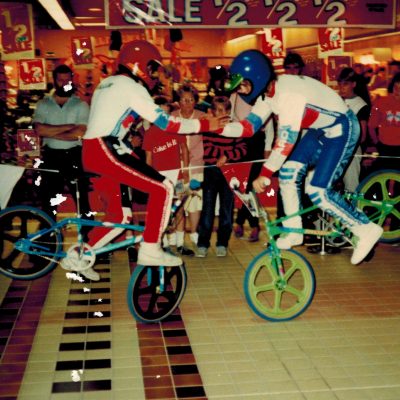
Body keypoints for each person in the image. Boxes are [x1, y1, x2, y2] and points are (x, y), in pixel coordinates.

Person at [61, 40, 224, 281]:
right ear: (140, 66)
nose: (155, 75)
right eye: (153, 69)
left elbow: (111, 121)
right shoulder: (132, 87)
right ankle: (150, 248)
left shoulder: (107, 83)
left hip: (96, 150)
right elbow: (167, 123)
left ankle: (80, 256)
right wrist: (205, 124)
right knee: (163, 188)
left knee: (120, 217)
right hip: (105, 150)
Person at [220, 49, 383, 265]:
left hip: (342, 127)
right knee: (288, 173)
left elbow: (286, 140)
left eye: (243, 84)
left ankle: (365, 228)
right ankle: (294, 230)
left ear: (257, 77)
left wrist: (265, 174)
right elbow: (249, 127)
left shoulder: (288, 94)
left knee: (318, 191)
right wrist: (215, 127)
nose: (241, 90)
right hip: (322, 130)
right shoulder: (269, 93)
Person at [33, 64, 92, 225]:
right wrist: (69, 127)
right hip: (50, 156)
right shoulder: (43, 104)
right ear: (54, 81)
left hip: (74, 156)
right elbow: (38, 130)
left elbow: (79, 133)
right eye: (61, 80)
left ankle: (89, 242)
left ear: (72, 80)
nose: (64, 83)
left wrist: (50, 131)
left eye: (67, 80)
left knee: (82, 202)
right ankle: (48, 243)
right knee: (48, 203)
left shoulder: (81, 104)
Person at [142, 95, 194, 256]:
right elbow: (149, 158)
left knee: (178, 210)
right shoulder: (150, 133)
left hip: (176, 174)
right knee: (161, 210)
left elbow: (184, 149)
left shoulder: (175, 128)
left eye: (166, 113)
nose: (164, 118)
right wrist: (150, 179)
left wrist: (185, 171)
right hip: (160, 176)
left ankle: (179, 244)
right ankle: (162, 243)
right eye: (160, 114)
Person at [196, 96, 247, 257]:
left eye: (225, 110)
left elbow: (243, 149)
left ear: (229, 111)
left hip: (230, 172)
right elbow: (207, 148)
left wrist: (227, 157)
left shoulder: (236, 127)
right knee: (208, 208)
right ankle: (203, 243)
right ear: (212, 111)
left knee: (227, 208)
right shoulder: (209, 127)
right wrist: (222, 156)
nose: (221, 113)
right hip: (211, 171)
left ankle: (222, 243)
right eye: (218, 110)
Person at [171, 84, 206, 246]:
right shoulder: (171, 117)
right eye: (184, 100)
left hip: (196, 165)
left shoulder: (203, 117)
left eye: (191, 100)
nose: (187, 103)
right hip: (176, 167)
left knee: (195, 200)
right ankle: (178, 236)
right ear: (178, 102)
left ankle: (194, 233)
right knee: (178, 201)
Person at [337, 67, 370, 192]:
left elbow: (362, 135)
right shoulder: (337, 100)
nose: (341, 87)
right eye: (340, 84)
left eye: (345, 84)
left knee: (351, 185)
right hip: (335, 147)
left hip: (352, 149)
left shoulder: (360, 105)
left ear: (353, 84)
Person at [368, 72, 400, 172]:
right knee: (385, 173)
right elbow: (371, 125)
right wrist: (377, 143)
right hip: (384, 145)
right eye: (396, 87)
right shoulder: (380, 102)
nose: (397, 91)